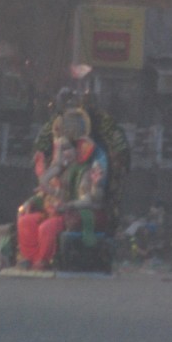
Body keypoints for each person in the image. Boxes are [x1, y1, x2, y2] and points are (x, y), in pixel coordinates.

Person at [16, 107, 110, 271]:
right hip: (53, 210)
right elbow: (46, 190)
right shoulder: (60, 171)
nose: (63, 153)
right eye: (60, 149)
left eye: (67, 149)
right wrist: (34, 199)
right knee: (26, 221)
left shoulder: (84, 171)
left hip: (69, 212)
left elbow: (88, 199)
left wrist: (68, 205)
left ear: (78, 149)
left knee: (47, 228)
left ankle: (43, 260)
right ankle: (30, 258)